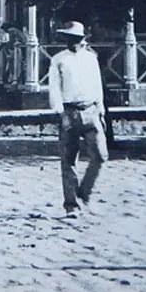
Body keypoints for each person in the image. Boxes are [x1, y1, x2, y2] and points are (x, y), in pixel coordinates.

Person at [47, 21, 107, 217]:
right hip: (70, 113)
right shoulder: (59, 60)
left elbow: (97, 84)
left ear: (83, 39)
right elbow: (54, 88)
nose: (73, 42)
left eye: (77, 38)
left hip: (91, 110)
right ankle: (71, 204)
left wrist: (101, 108)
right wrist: (59, 112)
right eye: (70, 38)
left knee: (100, 156)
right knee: (68, 160)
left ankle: (84, 193)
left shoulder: (91, 58)